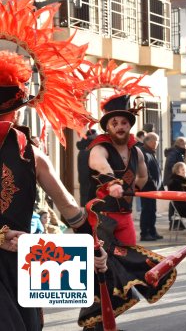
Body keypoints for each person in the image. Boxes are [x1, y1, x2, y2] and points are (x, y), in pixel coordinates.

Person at [0, 46, 108, 330]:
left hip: (25, 262)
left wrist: (91, 251)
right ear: (19, 105)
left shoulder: (31, 153)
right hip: (22, 262)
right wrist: (92, 248)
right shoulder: (31, 153)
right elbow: (71, 211)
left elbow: (70, 210)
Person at [79, 94, 177, 330]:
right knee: (105, 271)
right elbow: (98, 164)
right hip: (102, 222)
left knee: (127, 270)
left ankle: (105, 320)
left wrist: (134, 187)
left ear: (129, 125)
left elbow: (143, 176)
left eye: (123, 122)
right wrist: (112, 182)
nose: (119, 127)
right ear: (108, 126)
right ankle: (95, 322)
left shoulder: (137, 152)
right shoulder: (100, 147)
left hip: (125, 219)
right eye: (114, 123)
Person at [139, 132, 164, 241]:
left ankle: (152, 231)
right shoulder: (143, 152)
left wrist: (160, 185)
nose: (158, 143)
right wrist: (153, 183)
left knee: (152, 210)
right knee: (147, 210)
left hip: (153, 188)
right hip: (147, 187)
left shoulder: (150, 152)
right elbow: (145, 171)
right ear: (150, 141)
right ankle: (145, 233)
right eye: (156, 140)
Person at [77, 129, 98, 206]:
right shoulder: (93, 150)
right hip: (93, 183)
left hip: (84, 182)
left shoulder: (82, 150)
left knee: (86, 205)